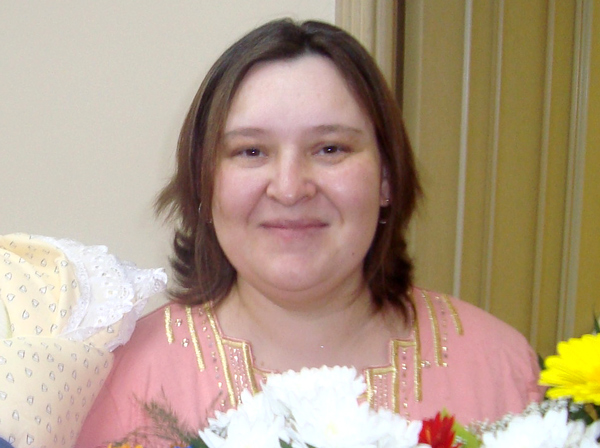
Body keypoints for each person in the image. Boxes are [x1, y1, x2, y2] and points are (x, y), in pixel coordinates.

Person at [77, 18, 544, 447]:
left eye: (330, 148)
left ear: (386, 177)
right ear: (205, 181)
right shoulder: (118, 380)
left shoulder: (502, 368)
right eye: (251, 152)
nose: (289, 188)